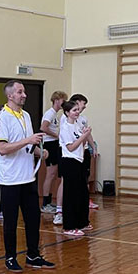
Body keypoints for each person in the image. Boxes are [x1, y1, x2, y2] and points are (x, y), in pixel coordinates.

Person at [0, 80, 56, 272]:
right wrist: (28, 140)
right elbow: (2, 148)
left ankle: (33, 255)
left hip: (28, 178)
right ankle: (10, 257)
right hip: (10, 179)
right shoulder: (2, 118)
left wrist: (39, 152)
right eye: (20, 92)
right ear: (10, 95)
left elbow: (26, 146)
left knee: (33, 219)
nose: (24, 95)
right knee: (11, 222)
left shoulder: (26, 116)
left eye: (24, 92)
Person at [58, 100, 91, 236]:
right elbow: (71, 147)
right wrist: (84, 136)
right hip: (69, 162)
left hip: (79, 161)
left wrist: (85, 135)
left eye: (78, 109)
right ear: (67, 113)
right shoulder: (65, 128)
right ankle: (69, 226)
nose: (77, 112)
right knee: (70, 195)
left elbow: (81, 144)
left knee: (82, 193)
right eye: (74, 110)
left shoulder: (77, 125)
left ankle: (82, 222)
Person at [40, 91, 67, 213]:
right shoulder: (50, 113)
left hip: (54, 143)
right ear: (56, 100)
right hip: (49, 144)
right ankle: (45, 203)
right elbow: (43, 127)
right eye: (63, 100)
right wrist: (56, 135)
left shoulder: (55, 114)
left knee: (53, 174)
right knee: (50, 174)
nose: (64, 103)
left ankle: (49, 201)